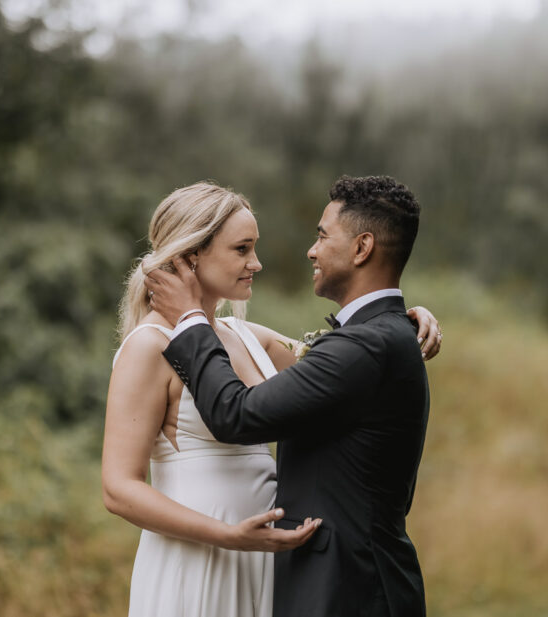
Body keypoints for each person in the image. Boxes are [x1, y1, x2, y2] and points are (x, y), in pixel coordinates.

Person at [104, 181, 441, 617]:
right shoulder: (149, 347)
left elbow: (347, 359)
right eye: (242, 249)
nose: (256, 263)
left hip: (267, 562)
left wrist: (405, 318)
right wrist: (226, 535)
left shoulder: (249, 338)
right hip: (203, 560)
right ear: (191, 256)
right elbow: (118, 489)